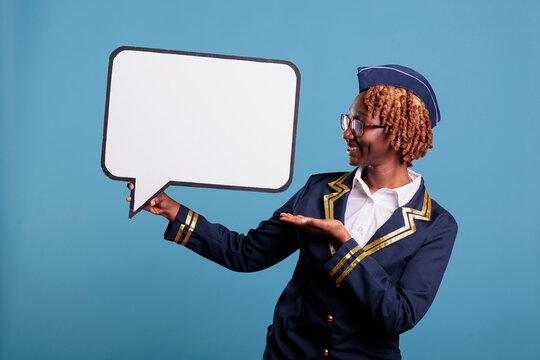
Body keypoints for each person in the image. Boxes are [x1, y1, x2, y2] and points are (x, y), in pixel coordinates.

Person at [125, 64, 457, 359]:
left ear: (398, 133)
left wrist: (344, 244)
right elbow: (247, 253)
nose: (346, 132)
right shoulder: (319, 190)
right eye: (347, 120)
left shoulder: (436, 225)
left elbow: (398, 315)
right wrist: (171, 209)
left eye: (360, 124)